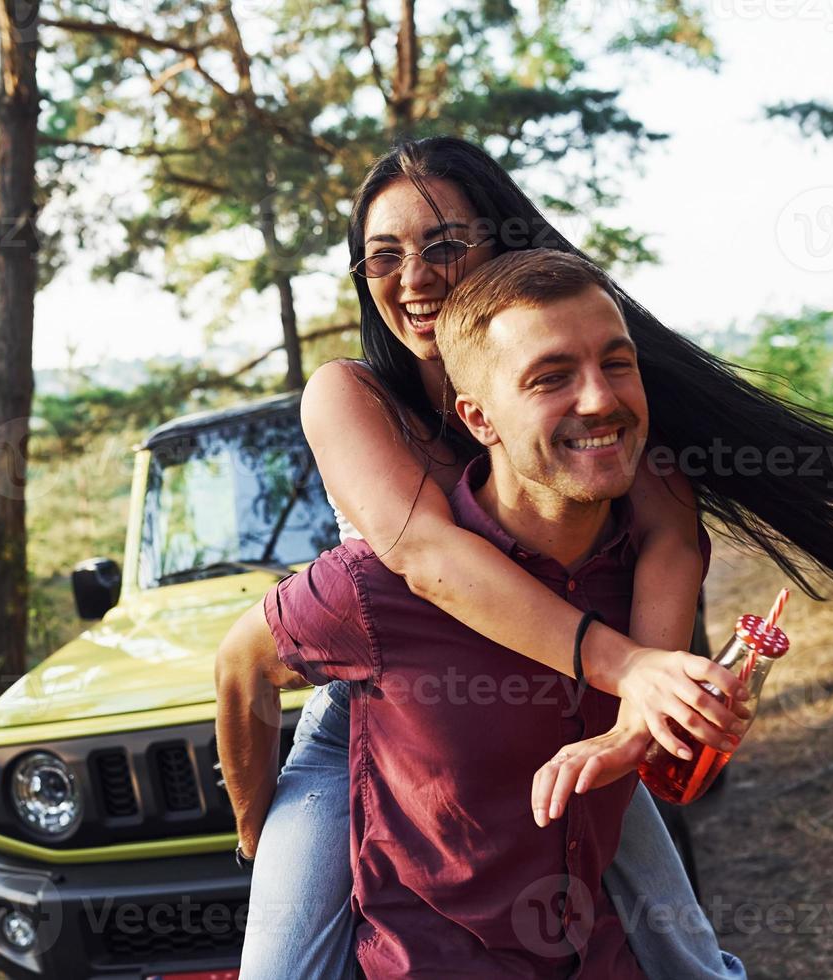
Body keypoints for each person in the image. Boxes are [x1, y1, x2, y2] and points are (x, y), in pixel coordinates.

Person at [217, 136, 833, 978]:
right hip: (389, 717)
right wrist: (258, 827)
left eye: (444, 244)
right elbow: (423, 555)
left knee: (687, 957)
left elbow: (669, 534)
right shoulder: (352, 395)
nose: (412, 278)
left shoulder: (590, 377)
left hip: (566, 698)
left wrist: (642, 712)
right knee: (282, 965)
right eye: (382, 256)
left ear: (501, 243)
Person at [223, 248, 687, 977]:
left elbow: (670, 743)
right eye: (552, 377)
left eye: (616, 365)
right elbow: (241, 662)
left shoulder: (643, 549)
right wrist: (253, 827)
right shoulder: (374, 582)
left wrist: (679, 714)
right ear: (478, 417)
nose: (597, 398)